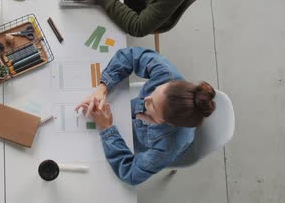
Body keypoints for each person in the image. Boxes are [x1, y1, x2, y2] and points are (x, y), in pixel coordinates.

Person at [75, 47, 216, 185]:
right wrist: (103, 88)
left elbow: (129, 173)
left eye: (153, 106)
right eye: (155, 91)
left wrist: (107, 129)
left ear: (167, 123)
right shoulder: (167, 75)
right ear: (168, 84)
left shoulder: (166, 147)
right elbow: (131, 55)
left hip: (138, 142)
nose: (145, 99)